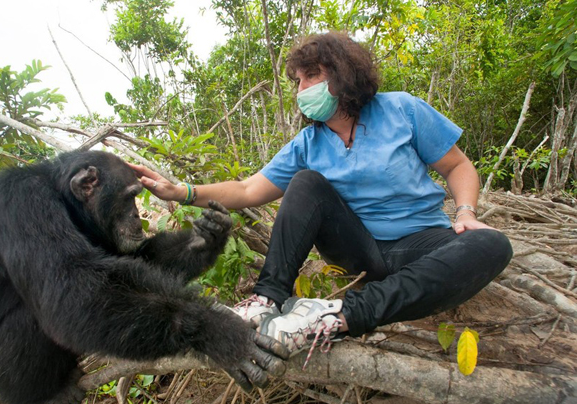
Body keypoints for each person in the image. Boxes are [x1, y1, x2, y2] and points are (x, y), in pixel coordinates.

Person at [130, 31, 513, 363]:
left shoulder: (402, 110)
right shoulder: (308, 143)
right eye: (298, 81)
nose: (302, 90)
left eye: (311, 75)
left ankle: (335, 316)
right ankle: (266, 301)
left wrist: (465, 211)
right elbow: (248, 189)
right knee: (307, 182)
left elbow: (457, 166)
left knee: (492, 244)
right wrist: (182, 192)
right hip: (357, 248)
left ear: (343, 71)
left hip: (422, 242)